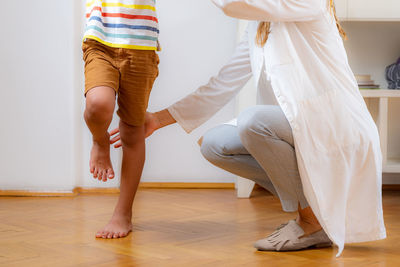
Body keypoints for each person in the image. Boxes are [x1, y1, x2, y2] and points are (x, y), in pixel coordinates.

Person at [111, 0, 386, 255]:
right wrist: (158, 119)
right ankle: (314, 211)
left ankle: (310, 222)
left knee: (253, 123)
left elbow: (232, 4)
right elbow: (223, 82)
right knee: (214, 144)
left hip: (333, 125)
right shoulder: (260, 26)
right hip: (298, 125)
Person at [82, 0, 160, 239]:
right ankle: (99, 140)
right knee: (98, 104)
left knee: (132, 129)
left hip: (142, 45)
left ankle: (123, 213)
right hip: (100, 41)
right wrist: (99, 136)